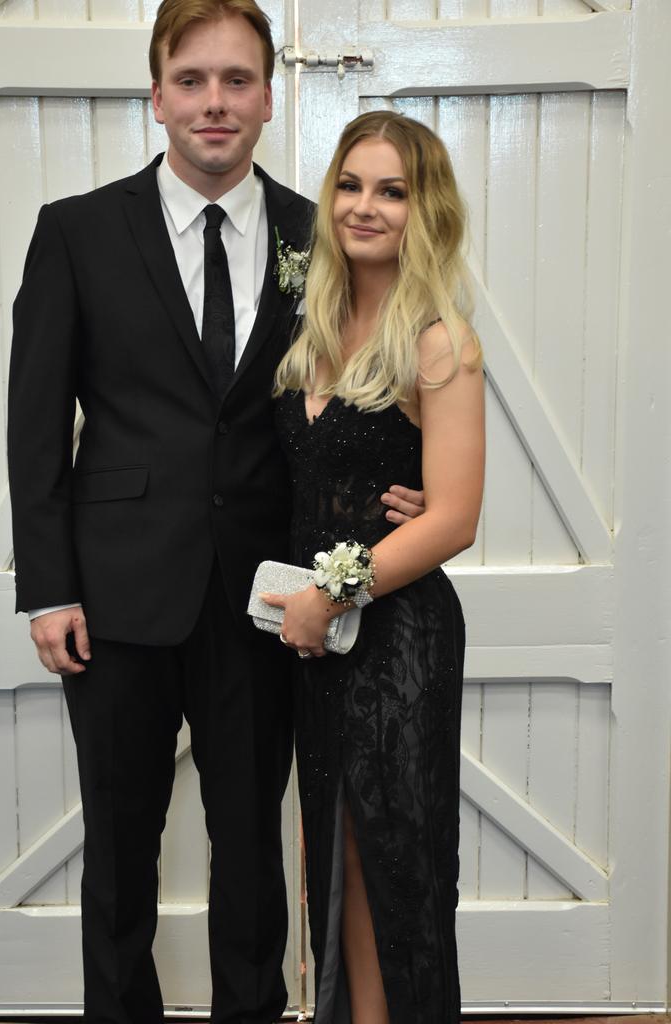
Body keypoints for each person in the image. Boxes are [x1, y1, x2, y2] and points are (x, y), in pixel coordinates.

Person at [7, 3, 425, 1022]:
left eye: (237, 80)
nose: (214, 102)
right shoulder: (76, 232)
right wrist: (48, 585)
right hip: (114, 597)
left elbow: (363, 382)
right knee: (118, 848)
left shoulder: (316, 235)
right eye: (191, 79)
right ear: (156, 94)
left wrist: (400, 487)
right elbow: (33, 423)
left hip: (265, 602)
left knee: (250, 848)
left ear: (268, 100)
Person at [263, 111, 485, 1024]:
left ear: (422, 209)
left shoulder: (440, 342)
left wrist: (327, 593)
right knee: (337, 851)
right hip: (318, 647)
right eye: (351, 185)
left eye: (391, 191)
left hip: (397, 642)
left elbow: (456, 519)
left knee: (395, 856)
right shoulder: (308, 323)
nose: (365, 207)